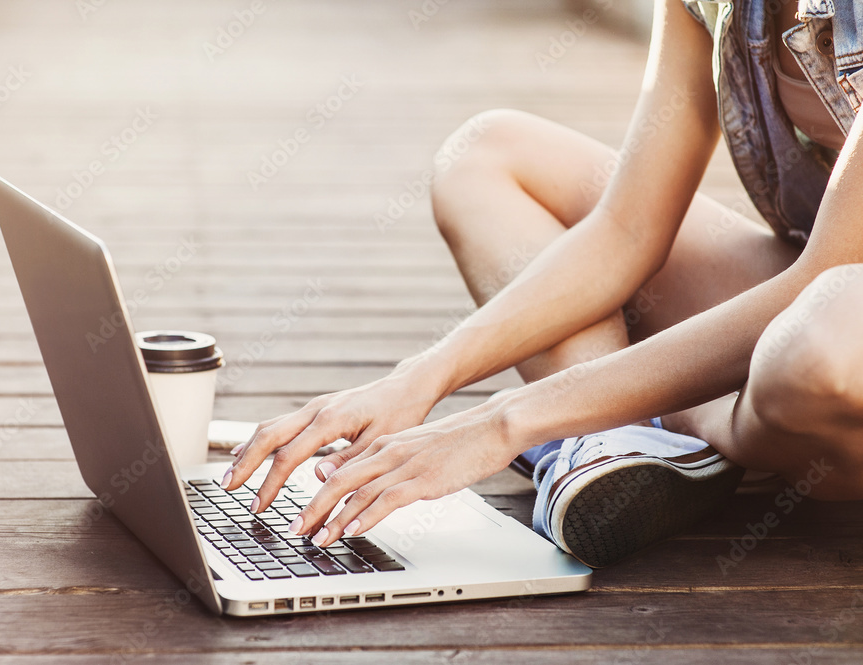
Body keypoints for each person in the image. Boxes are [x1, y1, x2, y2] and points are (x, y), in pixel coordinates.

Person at [222, 0, 863, 568]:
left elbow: (825, 278)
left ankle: (696, 428)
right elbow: (627, 230)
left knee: (814, 350)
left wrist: (501, 422)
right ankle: (615, 444)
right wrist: (421, 377)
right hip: (816, 287)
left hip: (834, 321)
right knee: (487, 155)